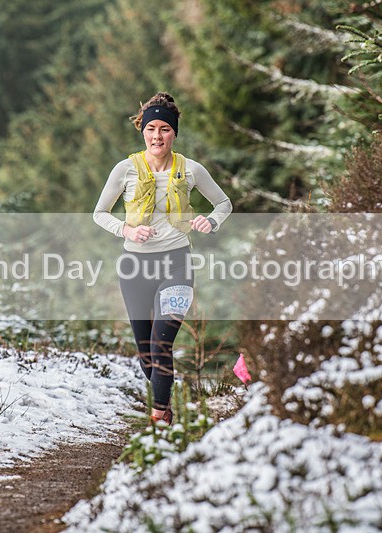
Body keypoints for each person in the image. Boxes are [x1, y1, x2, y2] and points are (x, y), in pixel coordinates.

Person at [93, 92, 232, 425]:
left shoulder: (192, 170)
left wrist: (209, 221)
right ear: (143, 131)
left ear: (174, 133)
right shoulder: (124, 169)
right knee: (146, 354)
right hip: (135, 267)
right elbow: (99, 213)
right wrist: (125, 231)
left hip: (177, 264)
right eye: (152, 128)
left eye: (165, 129)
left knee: (162, 342)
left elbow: (224, 204)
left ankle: (159, 419)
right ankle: (167, 403)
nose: (157, 136)